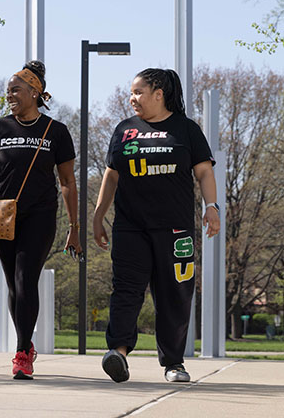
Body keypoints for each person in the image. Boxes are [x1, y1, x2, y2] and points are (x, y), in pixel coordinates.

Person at [93, 68, 220, 384]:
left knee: (174, 295)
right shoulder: (124, 130)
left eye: (138, 92)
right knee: (125, 290)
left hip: (175, 230)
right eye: (131, 92)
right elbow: (111, 176)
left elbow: (204, 172)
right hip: (130, 227)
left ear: (159, 93)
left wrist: (212, 207)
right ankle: (118, 353)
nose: (132, 98)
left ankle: (174, 363)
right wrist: (97, 216)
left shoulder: (186, 129)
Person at [0, 60, 81, 380]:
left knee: (26, 278)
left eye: (16, 90)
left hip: (40, 215)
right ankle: (25, 347)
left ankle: (21, 352)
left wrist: (75, 227)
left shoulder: (56, 131)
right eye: (7, 91)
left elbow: (68, 182)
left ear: (35, 92)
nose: (9, 95)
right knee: (15, 285)